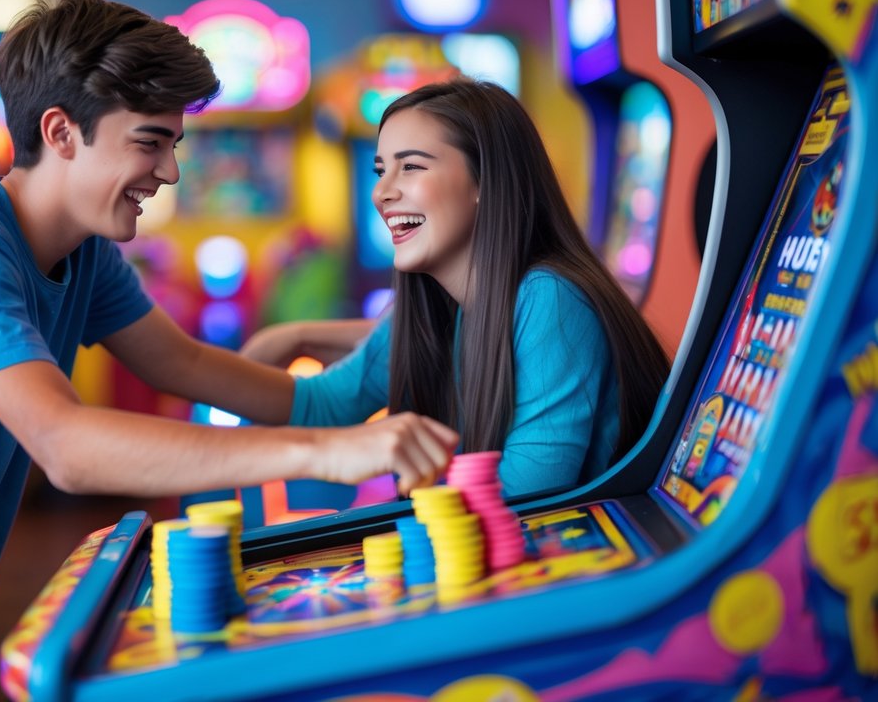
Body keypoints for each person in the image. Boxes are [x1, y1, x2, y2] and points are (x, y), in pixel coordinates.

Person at [0, 0, 458, 700]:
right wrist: (324, 453)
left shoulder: (84, 251)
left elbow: (190, 366)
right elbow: (66, 448)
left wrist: (431, 335)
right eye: (149, 142)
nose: (168, 172)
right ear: (60, 132)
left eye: (171, 144)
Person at [244, 77, 670, 499]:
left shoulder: (550, 297)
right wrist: (185, 364)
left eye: (410, 166)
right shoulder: (441, 304)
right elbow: (323, 403)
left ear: (485, 180)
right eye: (380, 170)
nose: (381, 192)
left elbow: (526, 497)